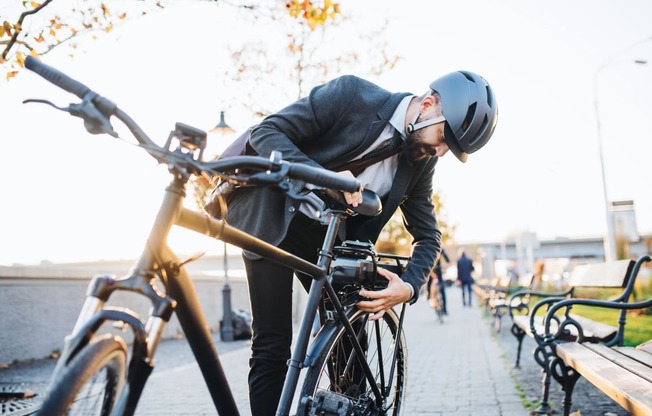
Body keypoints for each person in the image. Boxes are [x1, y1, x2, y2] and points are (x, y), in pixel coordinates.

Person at [223, 72, 498, 415]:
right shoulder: (352, 95)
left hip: (335, 244)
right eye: (444, 138)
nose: (440, 152)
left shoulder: (421, 162)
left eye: (450, 150)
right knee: (271, 346)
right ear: (428, 105)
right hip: (275, 218)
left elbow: (428, 236)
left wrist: (410, 287)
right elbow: (267, 132)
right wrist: (324, 177)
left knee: (351, 347)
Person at [430, 248, 450, 314]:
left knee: (435, 288)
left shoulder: (429, 244)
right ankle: (444, 309)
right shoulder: (440, 247)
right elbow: (447, 260)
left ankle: (443, 308)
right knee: (441, 289)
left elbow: (447, 260)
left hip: (432, 270)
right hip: (436, 271)